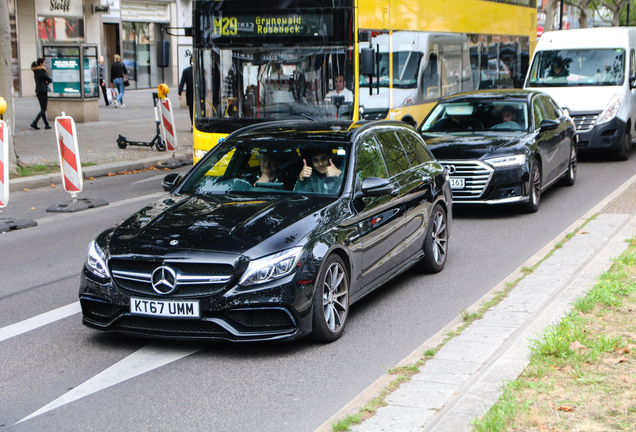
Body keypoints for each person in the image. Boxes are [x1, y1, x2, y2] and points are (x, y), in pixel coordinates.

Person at [30, 58, 52, 130]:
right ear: (41, 63)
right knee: (43, 109)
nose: (45, 64)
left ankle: (46, 124)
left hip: (38, 91)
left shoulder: (36, 72)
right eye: (44, 62)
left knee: (42, 109)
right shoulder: (42, 71)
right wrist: (47, 81)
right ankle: (34, 122)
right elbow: (49, 79)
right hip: (43, 91)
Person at [178, 58, 194, 131]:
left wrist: (179, 92)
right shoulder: (200, 70)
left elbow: (182, 82)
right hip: (197, 93)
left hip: (189, 92)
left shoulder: (186, 71)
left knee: (191, 109)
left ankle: (192, 124)